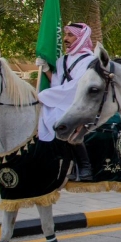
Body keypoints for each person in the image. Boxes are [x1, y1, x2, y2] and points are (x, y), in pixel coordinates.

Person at [36, 23, 96, 179]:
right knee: (42, 118)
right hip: (62, 100)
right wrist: (46, 70)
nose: (66, 38)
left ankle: (85, 165)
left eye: (70, 35)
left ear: (81, 37)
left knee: (63, 122)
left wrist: (45, 95)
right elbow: (57, 84)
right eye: (65, 35)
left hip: (81, 102)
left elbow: (77, 86)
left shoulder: (90, 60)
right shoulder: (62, 60)